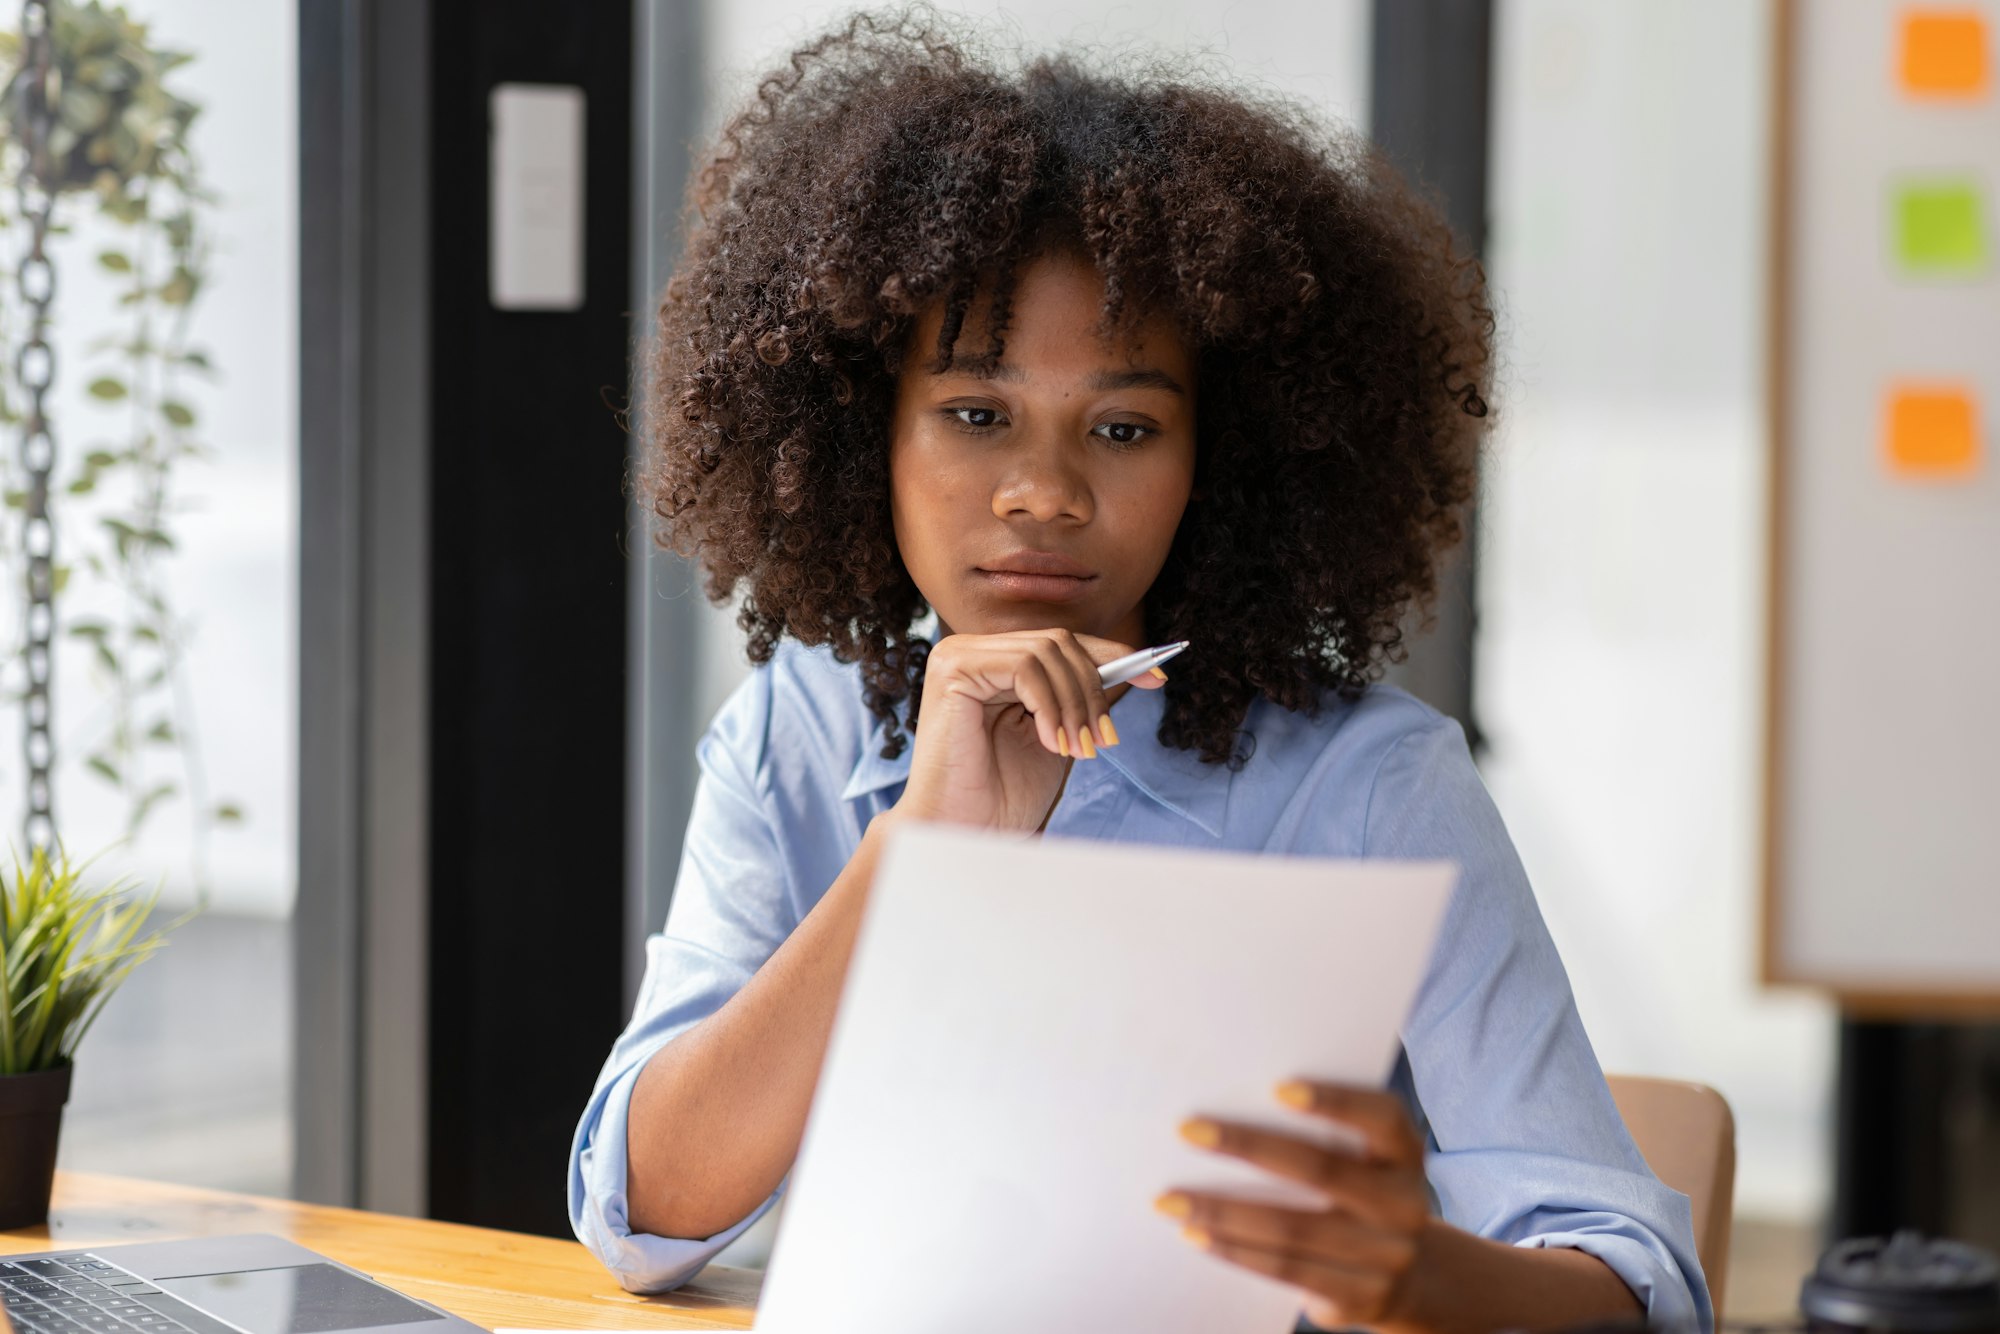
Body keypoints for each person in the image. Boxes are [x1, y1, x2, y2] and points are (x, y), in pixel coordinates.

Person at [570, 11, 1711, 1332]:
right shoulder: (801, 731)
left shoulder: (1371, 788)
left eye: (1121, 426)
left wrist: (1427, 1274)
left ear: (1212, 461)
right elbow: (638, 1214)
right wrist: (922, 848)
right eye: (976, 413)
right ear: (862, 432)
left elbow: (1635, 1292)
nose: (1045, 492)